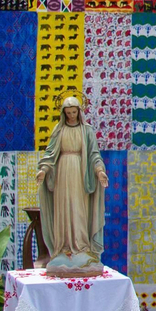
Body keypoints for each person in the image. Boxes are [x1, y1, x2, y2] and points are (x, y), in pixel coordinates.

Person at [36, 96, 108, 274]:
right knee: (63, 211)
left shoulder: (87, 130)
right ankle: (63, 248)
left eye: (74, 112)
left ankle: (82, 247)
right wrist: (43, 170)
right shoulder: (59, 130)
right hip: (62, 174)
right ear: (63, 113)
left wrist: (99, 171)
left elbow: (94, 154)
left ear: (79, 111)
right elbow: (50, 153)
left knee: (79, 210)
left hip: (80, 174)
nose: (71, 116)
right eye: (68, 113)